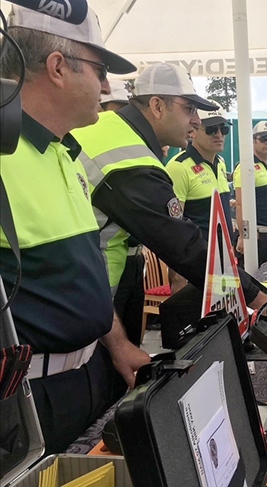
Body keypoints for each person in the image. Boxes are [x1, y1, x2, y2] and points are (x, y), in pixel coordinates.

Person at [0, 4, 150, 454]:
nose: (107, 87)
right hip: (25, 404)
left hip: (91, 378)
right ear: (58, 67)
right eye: (100, 69)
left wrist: (119, 345)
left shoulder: (65, 153)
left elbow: (81, 278)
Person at [72, 62, 267, 309]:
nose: (197, 121)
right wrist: (257, 298)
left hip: (87, 288)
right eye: (189, 109)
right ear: (157, 106)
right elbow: (182, 245)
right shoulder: (129, 160)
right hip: (87, 299)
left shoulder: (111, 128)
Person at [99, 81, 144, 346]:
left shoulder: (130, 153)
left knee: (133, 340)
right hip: (105, 272)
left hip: (135, 262)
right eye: (116, 112)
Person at [165, 101, 233, 241]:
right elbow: (174, 226)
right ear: (193, 131)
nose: (219, 134)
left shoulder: (220, 162)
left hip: (225, 255)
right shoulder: (178, 167)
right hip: (198, 258)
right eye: (212, 129)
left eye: (223, 129)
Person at [234, 121, 267, 266]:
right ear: (253, 141)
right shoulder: (246, 167)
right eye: (263, 138)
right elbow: (240, 204)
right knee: (251, 280)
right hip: (257, 236)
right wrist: (243, 236)